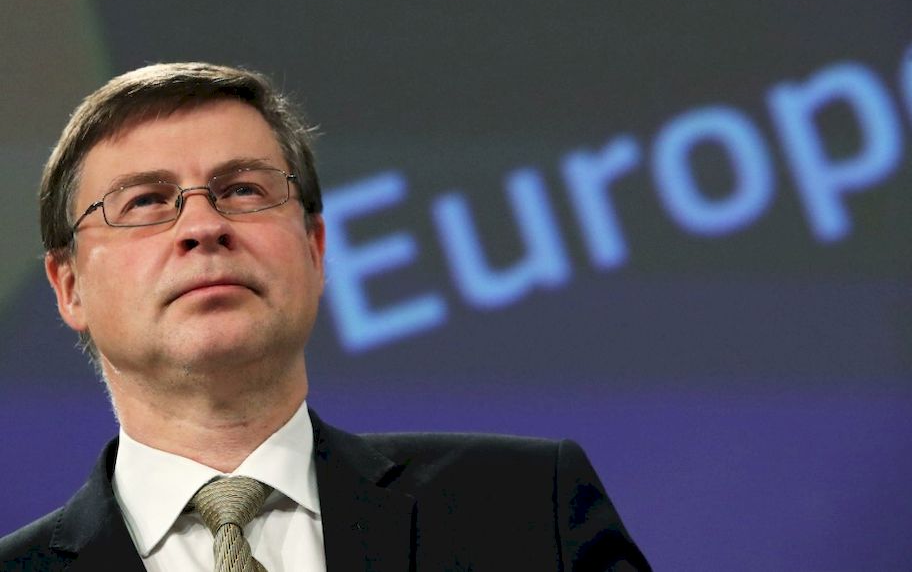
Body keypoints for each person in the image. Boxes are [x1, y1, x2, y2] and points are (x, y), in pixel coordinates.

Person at [0, 62, 650, 571]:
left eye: (243, 190)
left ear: (315, 249)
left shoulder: (528, 511)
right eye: (145, 201)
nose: (203, 225)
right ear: (69, 286)